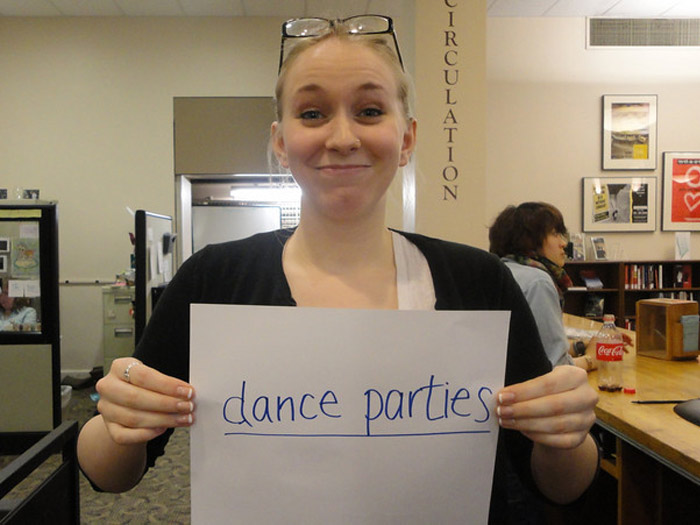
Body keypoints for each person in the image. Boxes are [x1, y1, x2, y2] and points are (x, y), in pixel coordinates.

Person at [77, 16, 599, 523]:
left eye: (370, 111)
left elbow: (560, 485)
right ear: (280, 141)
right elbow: (112, 474)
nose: (343, 136)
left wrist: (567, 433)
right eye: (312, 114)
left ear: (408, 138)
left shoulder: (479, 282)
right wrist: (117, 417)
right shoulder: (215, 281)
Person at [489, 202, 596, 371]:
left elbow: (533, 345)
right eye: (555, 234)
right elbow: (556, 367)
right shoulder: (538, 281)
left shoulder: (500, 270)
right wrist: (593, 359)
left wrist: (582, 346)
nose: (563, 243)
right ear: (529, 240)